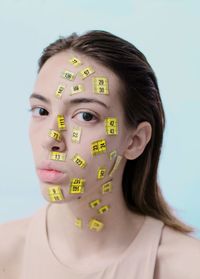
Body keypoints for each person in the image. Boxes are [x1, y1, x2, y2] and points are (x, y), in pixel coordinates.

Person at [0, 30, 200, 279]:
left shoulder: (188, 268)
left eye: (85, 116)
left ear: (135, 141)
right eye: (41, 111)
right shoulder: (5, 254)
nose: (51, 139)